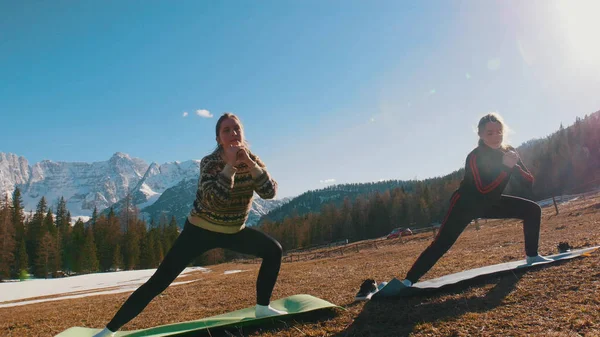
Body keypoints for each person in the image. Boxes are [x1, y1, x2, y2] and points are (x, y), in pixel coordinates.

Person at [93, 113, 286, 337]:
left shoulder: (253, 160)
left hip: (234, 230)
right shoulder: (210, 163)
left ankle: (262, 309)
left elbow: (269, 192)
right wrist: (231, 166)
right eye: (226, 130)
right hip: (199, 231)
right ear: (218, 139)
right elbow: (215, 198)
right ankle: (108, 331)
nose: (233, 133)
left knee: (274, 250)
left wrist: (251, 165)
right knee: (159, 282)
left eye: (237, 129)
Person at [396, 112, 552, 290]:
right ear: (480, 135)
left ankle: (532, 256)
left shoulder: (509, 152)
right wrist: (506, 169)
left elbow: (528, 182)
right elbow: (483, 189)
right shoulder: (475, 156)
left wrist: (514, 166)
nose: (496, 136)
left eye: (499, 131)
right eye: (490, 133)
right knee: (442, 242)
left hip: (491, 202)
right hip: (465, 204)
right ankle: (408, 281)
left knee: (532, 210)